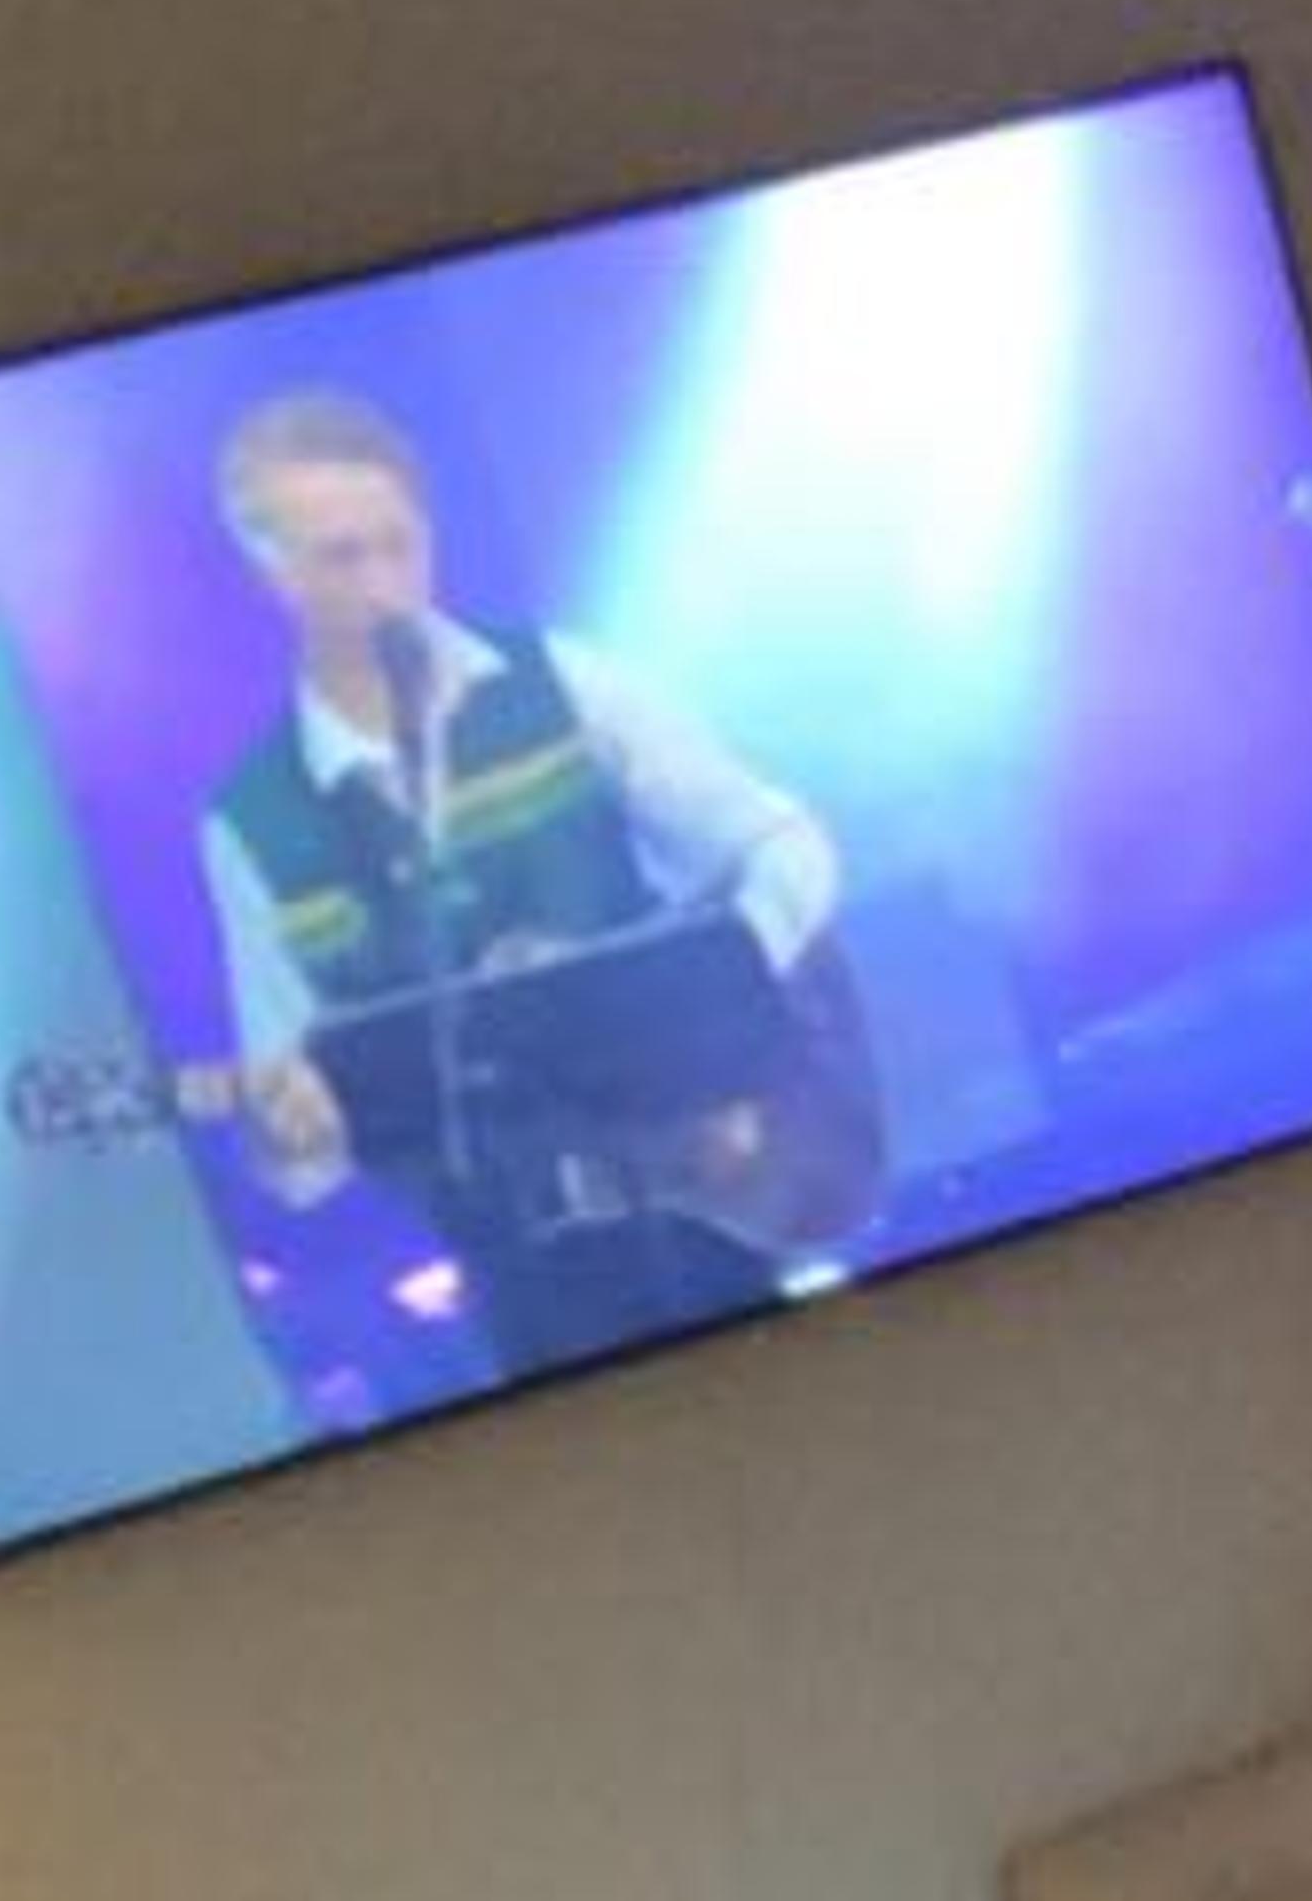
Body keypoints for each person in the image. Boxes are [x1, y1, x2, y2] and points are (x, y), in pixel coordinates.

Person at [198, 387, 867, 1385]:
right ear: (273, 577)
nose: (386, 585)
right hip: (520, 1275)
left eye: (401, 544)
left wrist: (712, 987)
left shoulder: (565, 679)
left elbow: (786, 845)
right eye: (342, 558)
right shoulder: (252, 824)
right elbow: (302, 1135)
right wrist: (290, 1134)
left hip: (711, 1190)